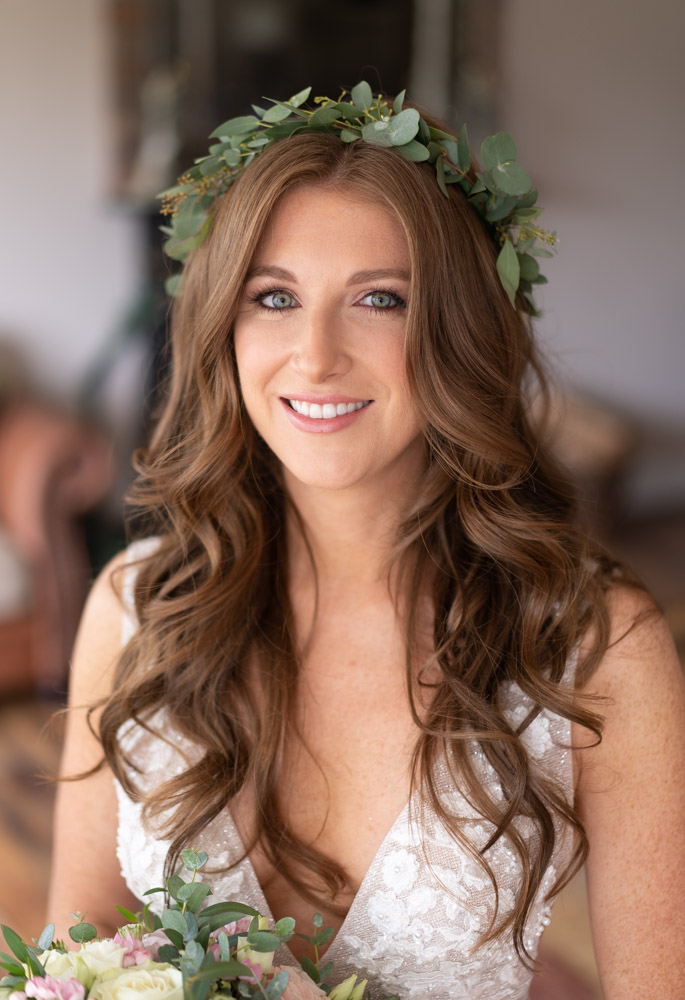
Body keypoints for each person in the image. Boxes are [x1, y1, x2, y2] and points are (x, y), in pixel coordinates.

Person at [48, 86, 685, 999]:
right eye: (274, 297)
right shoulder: (134, 606)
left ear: (457, 332)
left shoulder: (596, 648)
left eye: (378, 299)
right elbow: (78, 954)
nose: (313, 355)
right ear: (223, 327)